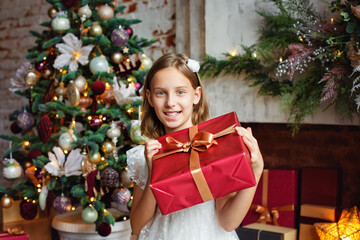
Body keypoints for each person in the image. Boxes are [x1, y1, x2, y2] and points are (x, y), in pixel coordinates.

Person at [126, 53, 264, 240]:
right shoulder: (146, 156)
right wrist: (153, 174)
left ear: (196, 95)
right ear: (150, 98)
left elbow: (228, 222)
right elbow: (137, 226)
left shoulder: (213, 146)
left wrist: (255, 171)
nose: (170, 102)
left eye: (180, 92)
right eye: (161, 93)